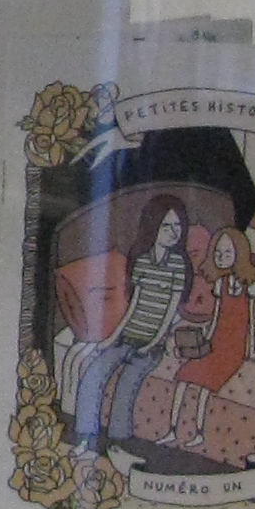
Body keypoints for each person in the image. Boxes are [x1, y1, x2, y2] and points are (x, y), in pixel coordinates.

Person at [69, 195, 195, 463]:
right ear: (153, 226)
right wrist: (111, 338)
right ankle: (85, 437)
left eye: (177, 226)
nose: (173, 233)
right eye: (166, 226)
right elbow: (134, 306)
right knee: (93, 375)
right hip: (127, 337)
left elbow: (169, 311)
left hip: (151, 345)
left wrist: (153, 342)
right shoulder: (142, 261)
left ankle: (118, 442)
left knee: (126, 383)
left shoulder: (178, 264)